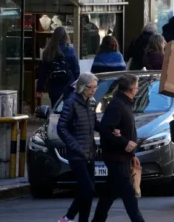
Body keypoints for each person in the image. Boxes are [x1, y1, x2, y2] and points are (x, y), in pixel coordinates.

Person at [92, 74, 145, 222]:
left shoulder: (125, 103)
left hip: (123, 156)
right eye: (136, 87)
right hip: (116, 157)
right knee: (129, 194)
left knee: (109, 193)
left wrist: (132, 153)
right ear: (131, 89)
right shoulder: (117, 105)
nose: (137, 90)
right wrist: (124, 142)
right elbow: (106, 129)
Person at [57, 72, 100, 222]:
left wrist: (110, 129)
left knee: (86, 192)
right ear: (82, 86)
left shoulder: (92, 102)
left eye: (95, 87)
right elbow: (61, 127)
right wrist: (75, 146)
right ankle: (68, 217)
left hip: (89, 153)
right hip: (77, 154)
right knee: (88, 189)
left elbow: (94, 123)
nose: (94, 90)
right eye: (91, 87)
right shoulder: (71, 102)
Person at [36, 26, 80, 108]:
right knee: (68, 109)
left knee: (55, 108)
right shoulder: (70, 51)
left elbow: (43, 73)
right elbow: (76, 70)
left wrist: (39, 89)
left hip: (54, 86)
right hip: (68, 85)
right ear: (66, 36)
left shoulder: (48, 51)